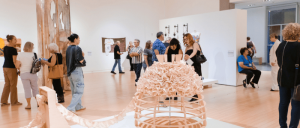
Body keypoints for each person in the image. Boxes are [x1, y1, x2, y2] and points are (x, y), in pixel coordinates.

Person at [276, 23, 300, 128]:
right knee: (296, 105)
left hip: (283, 79)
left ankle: (282, 126)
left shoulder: (281, 45)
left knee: (283, 103)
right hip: (297, 80)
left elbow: (279, 63)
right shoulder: (299, 46)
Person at [66, 34, 86, 113]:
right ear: (75, 39)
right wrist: (83, 56)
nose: (79, 40)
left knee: (74, 90)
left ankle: (78, 106)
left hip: (70, 72)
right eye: (78, 39)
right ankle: (70, 108)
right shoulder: (77, 48)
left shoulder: (68, 48)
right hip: (76, 71)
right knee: (79, 91)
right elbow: (81, 60)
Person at [1, 35, 22, 106]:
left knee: (7, 84)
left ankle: (3, 101)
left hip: (5, 67)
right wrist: (19, 69)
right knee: (13, 85)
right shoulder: (13, 50)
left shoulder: (5, 48)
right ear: (10, 40)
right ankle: (14, 102)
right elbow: (14, 61)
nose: (16, 41)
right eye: (14, 40)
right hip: (11, 68)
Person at [16, 42, 39, 109]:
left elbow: (17, 65)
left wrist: (20, 67)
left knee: (27, 89)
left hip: (24, 73)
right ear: (31, 47)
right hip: (33, 74)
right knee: (35, 89)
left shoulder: (20, 54)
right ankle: (38, 103)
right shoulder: (34, 54)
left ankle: (29, 105)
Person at [183, 33, 202, 102]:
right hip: (190, 66)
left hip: (196, 65)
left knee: (197, 80)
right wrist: (185, 59)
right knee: (191, 81)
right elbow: (185, 57)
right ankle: (194, 96)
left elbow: (194, 52)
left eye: (187, 39)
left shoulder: (195, 44)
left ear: (190, 38)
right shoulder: (187, 47)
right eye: (184, 39)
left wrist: (189, 57)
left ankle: (197, 96)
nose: (185, 40)